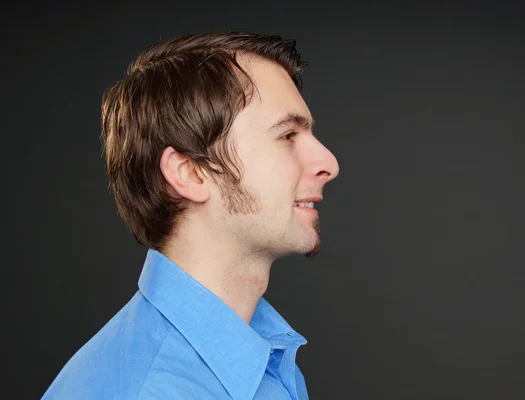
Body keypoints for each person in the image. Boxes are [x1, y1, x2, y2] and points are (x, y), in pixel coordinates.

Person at [42, 31, 339, 399]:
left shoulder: (265, 352)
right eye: (288, 135)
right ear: (190, 173)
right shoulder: (144, 391)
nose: (329, 163)